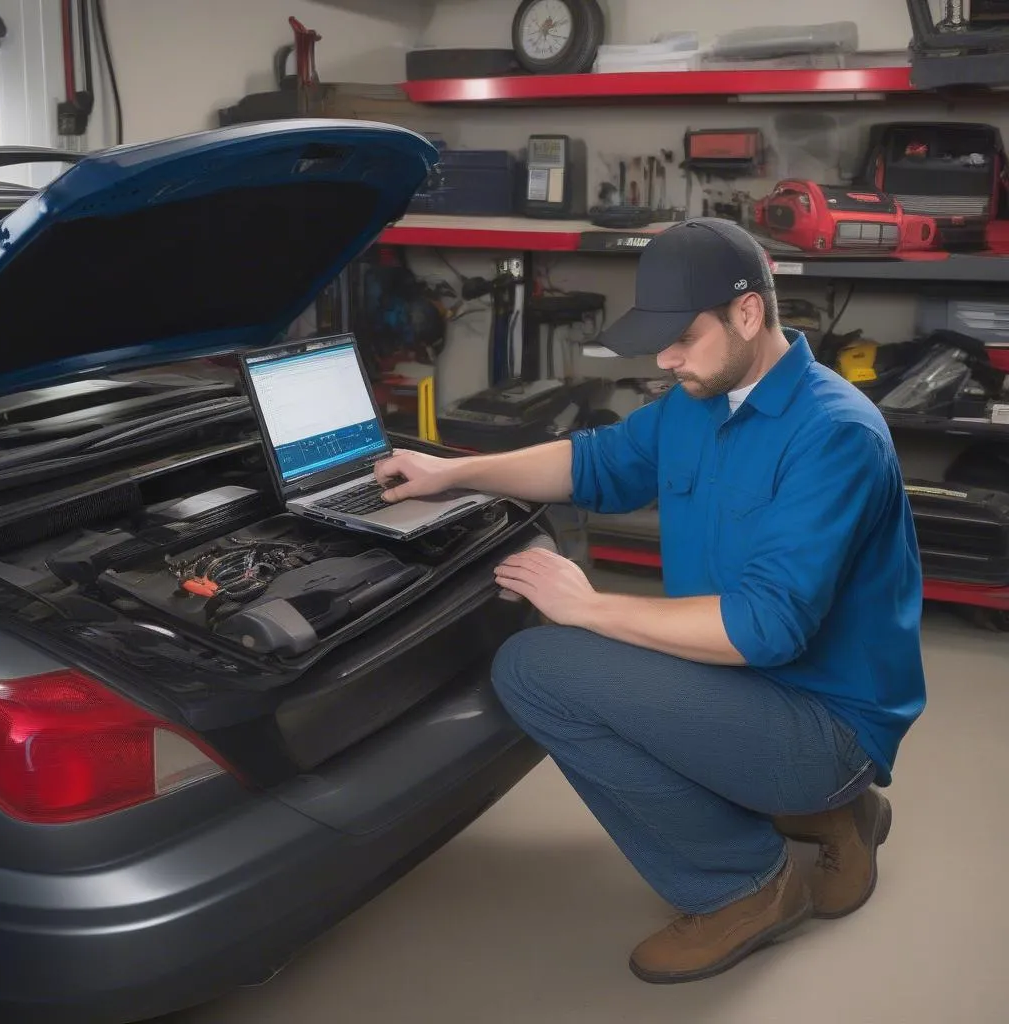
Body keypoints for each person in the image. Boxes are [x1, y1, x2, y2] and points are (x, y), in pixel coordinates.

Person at [373, 218, 926, 985]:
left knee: (538, 669)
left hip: (825, 721)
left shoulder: (836, 437)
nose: (665, 359)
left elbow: (765, 627)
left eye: (680, 337)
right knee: (594, 660)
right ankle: (836, 817)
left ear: (747, 314)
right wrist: (453, 473)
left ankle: (744, 885)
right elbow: (592, 463)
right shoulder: (700, 400)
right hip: (745, 689)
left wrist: (589, 607)